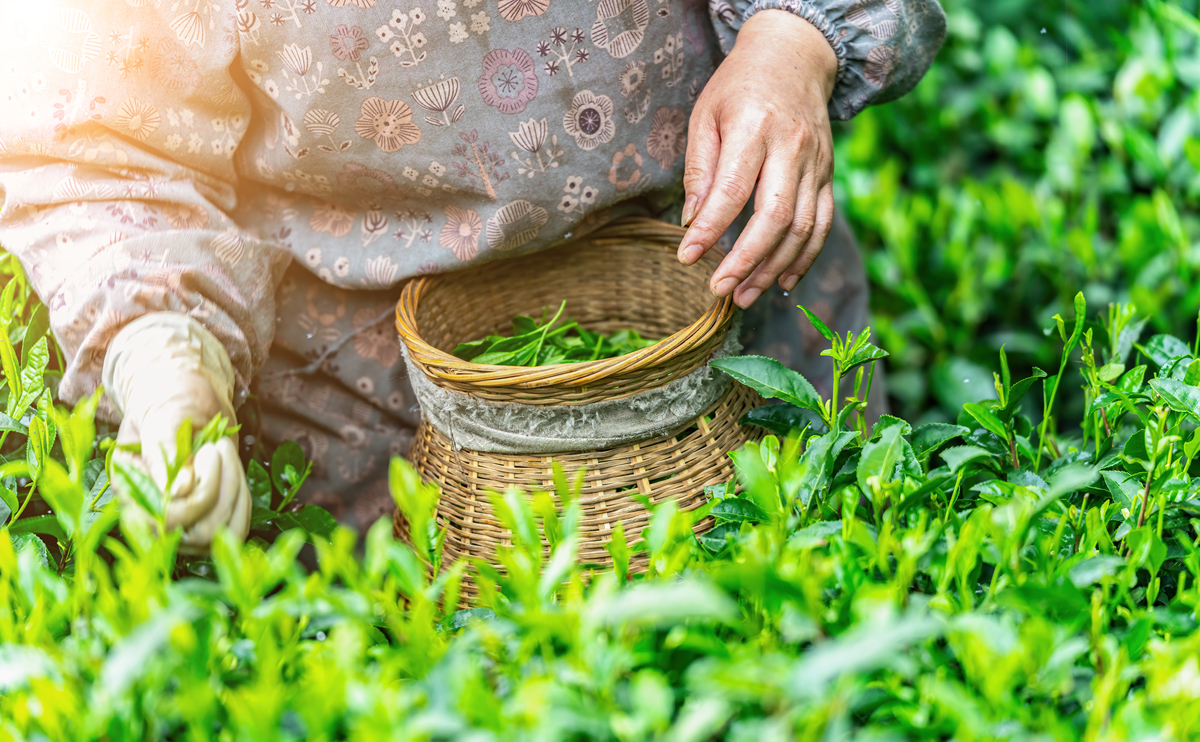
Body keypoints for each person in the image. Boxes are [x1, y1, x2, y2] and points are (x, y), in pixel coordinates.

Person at [0, 0, 944, 550]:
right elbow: (98, 146)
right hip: (375, 412)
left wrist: (791, 45)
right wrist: (166, 357)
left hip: (723, 303)